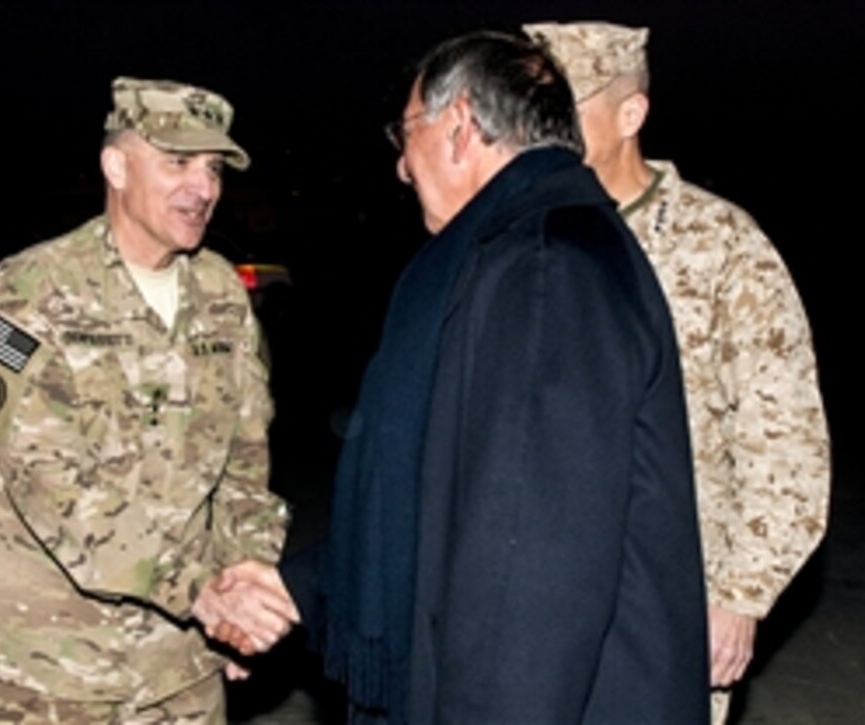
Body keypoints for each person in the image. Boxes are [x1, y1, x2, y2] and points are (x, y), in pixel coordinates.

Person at [216, 30, 710, 723]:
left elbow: (524, 575)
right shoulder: (520, 249)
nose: (399, 166)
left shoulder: (545, 271)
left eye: (405, 132)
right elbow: (440, 496)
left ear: (459, 126)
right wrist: (299, 583)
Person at [0, 77, 299, 724]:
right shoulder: (28, 292)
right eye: (178, 161)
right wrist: (205, 591)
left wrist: (246, 576)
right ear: (116, 165)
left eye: (213, 167)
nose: (203, 187)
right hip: (46, 661)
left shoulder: (219, 291)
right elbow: (43, 477)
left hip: (180, 662)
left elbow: (244, 456)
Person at [522, 21, 831, 723]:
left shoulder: (720, 246)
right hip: (541, 593)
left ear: (630, 114)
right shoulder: (530, 232)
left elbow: (784, 435)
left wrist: (740, 594)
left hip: (668, 595)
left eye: (564, 107)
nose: (542, 128)